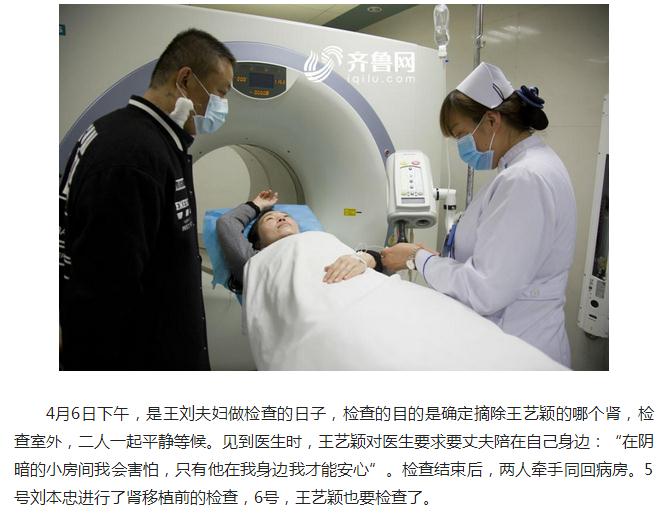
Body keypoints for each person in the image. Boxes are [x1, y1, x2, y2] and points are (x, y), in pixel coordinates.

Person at [59, 29, 235, 370]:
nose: (222, 106)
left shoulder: (146, 139)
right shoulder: (132, 156)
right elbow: (105, 298)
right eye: (220, 93)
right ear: (185, 80)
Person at [381, 62, 576, 367]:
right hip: (519, 336)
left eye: (461, 135)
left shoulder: (524, 178)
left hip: (519, 347)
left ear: (492, 120)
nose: (462, 148)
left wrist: (418, 258)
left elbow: (486, 289)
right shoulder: (533, 166)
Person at [216, 190, 383, 292]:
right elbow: (227, 223)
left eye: (286, 216)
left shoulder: (319, 239)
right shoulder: (255, 261)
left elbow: (380, 260)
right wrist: (257, 204)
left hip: (373, 290)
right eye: (270, 219)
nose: (281, 218)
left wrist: (365, 258)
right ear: (258, 243)